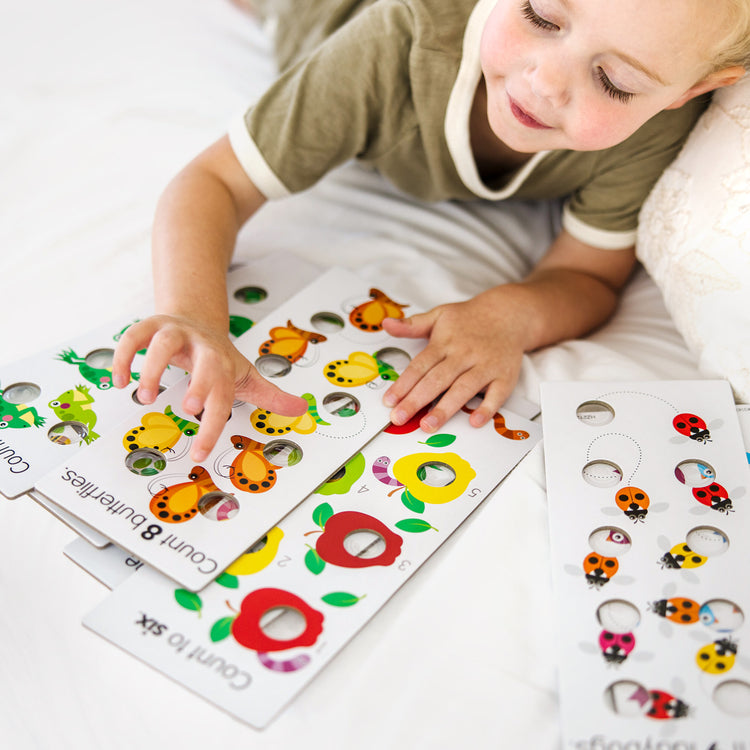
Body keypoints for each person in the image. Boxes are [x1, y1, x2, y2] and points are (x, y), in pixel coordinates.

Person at [113, 0, 748, 462]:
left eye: (615, 82)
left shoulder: (659, 128)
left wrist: (512, 314)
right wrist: (196, 317)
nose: (546, 83)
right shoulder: (398, 41)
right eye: (540, 16)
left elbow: (586, 277)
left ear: (693, 90)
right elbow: (212, 183)